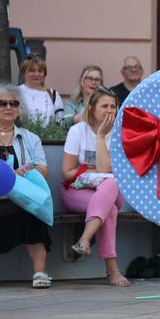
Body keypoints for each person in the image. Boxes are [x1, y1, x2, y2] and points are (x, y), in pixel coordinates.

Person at [61, 87, 130, 286]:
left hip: (111, 190)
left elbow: (107, 170)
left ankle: (85, 236)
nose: (110, 111)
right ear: (91, 108)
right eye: (104, 106)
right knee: (109, 211)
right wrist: (89, 171)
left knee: (110, 183)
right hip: (76, 190)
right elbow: (67, 172)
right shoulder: (77, 131)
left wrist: (101, 137)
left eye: (113, 107)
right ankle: (113, 270)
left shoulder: (119, 134)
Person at [0, 84, 52, 288]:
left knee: (33, 212)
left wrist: (21, 175)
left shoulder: (30, 138)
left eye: (13, 103)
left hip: (19, 197)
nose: (8, 107)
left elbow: (43, 169)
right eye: (2, 103)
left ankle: (40, 272)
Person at [17, 55, 64, 126]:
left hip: (47, 137)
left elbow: (60, 121)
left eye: (40, 71)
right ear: (24, 73)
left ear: (44, 74)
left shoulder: (53, 94)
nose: (36, 74)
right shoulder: (15, 93)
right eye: (32, 71)